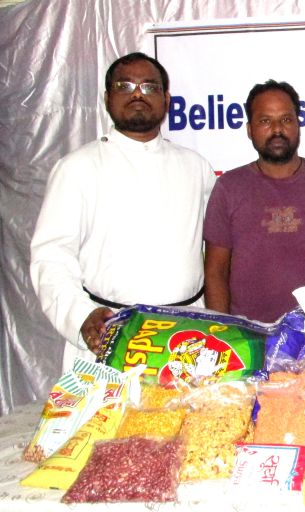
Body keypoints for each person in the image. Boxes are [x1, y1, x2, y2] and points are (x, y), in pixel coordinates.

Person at [30, 52, 217, 371]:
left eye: (149, 87)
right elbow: (51, 257)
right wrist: (80, 316)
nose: (137, 94)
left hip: (185, 340)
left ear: (166, 99)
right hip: (108, 335)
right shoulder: (77, 168)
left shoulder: (196, 167)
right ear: (107, 98)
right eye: (125, 85)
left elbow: (216, 251)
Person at [203, 80, 305, 323]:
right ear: (249, 129)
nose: (277, 129)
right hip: (250, 334)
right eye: (265, 121)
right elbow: (215, 272)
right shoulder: (228, 187)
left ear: (298, 125)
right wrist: (223, 331)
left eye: (286, 120)